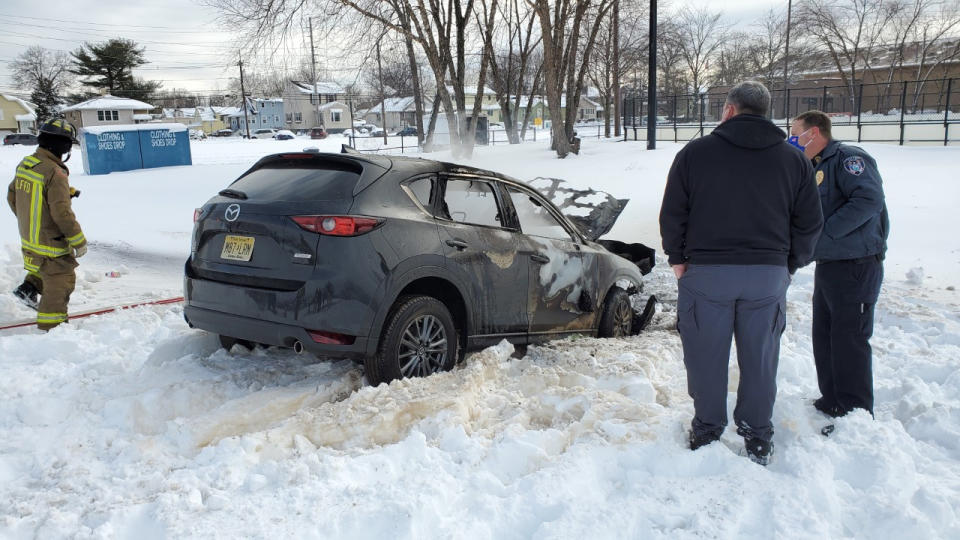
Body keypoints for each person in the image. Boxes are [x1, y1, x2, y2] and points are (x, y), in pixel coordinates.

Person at [659, 81, 823, 465]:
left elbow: (673, 213)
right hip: (767, 275)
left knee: (705, 355)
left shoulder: (695, 153)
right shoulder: (793, 159)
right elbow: (810, 223)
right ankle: (756, 435)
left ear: (730, 111)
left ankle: (707, 430)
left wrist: (677, 258)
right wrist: (789, 264)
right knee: (761, 357)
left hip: (707, 273)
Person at [789, 111, 888, 422]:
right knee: (826, 335)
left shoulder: (849, 159)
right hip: (831, 263)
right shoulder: (815, 165)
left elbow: (868, 200)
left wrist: (825, 234)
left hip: (856, 264)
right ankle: (832, 398)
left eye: (795, 135)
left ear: (814, 133)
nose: (791, 142)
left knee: (850, 339)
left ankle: (855, 410)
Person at [7, 118, 87, 331]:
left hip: (31, 239)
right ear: (64, 146)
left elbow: (13, 196)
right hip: (51, 242)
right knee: (61, 279)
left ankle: (28, 289)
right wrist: (79, 241)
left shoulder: (27, 163)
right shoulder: (55, 173)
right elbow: (62, 213)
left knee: (44, 269)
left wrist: (31, 221)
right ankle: (53, 329)